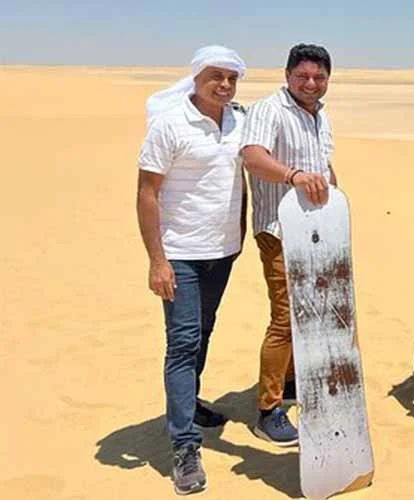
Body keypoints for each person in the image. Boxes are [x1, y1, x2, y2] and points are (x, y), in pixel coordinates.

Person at [137, 45, 247, 495]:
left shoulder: (240, 122)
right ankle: (184, 445)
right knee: (182, 341)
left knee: (203, 331)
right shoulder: (170, 124)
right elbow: (147, 192)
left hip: (222, 251)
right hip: (180, 252)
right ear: (197, 78)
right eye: (215, 76)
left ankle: (189, 402)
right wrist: (157, 260)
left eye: (231, 78)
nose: (224, 85)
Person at [240, 43, 335, 446]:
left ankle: (293, 382)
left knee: (309, 311)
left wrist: (336, 200)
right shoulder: (269, 109)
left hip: (316, 228)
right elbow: (252, 156)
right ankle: (268, 409)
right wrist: (292, 175)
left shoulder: (320, 115)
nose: (311, 83)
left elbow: (324, 164)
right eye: (303, 76)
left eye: (318, 77)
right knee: (285, 316)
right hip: (278, 228)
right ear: (287, 75)